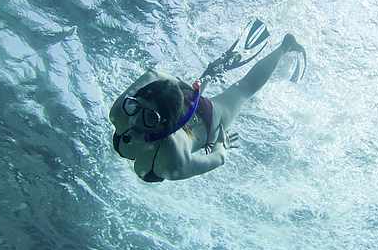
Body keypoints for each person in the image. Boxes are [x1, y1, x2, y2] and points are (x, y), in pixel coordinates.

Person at [110, 29, 306, 182]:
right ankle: (203, 80)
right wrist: (177, 86)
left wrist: (221, 142)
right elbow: (153, 75)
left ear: (167, 124)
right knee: (183, 91)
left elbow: (219, 158)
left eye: (149, 117)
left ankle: (285, 47)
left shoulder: (171, 162)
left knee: (244, 89)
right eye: (135, 107)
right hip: (182, 99)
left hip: (208, 121)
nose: (134, 119)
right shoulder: (121, 112)